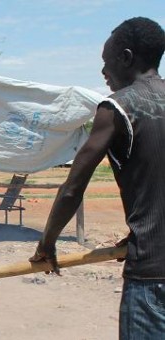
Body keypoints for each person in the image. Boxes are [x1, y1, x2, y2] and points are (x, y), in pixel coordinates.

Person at [28, 17, 165, 339]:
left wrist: (46, 245)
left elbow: (73, 187)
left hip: (152, 277)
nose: (103, 73)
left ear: (127, 58)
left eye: (107, 63)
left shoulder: (118, 107)